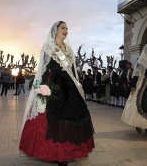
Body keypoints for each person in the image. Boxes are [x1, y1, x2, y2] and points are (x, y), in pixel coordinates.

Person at [19, 21, 95, 166]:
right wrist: (40, 91)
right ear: (55, 31)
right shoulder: (48, 48)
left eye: (67, 28)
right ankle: (57, 153)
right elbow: (42, 71)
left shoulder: (69, 50)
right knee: (54, 120)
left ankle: (66, 153)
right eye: (63, 28)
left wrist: (77, 88)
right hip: (54, 87)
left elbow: (72, 72)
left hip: (69, 89)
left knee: (73, 119)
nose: (66, 30)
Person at [121, 44, 147, 134]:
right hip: (141, 85)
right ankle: (138, 124)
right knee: (138, 104)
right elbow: (135, 75)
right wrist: (133, 86)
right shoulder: (140, 61)